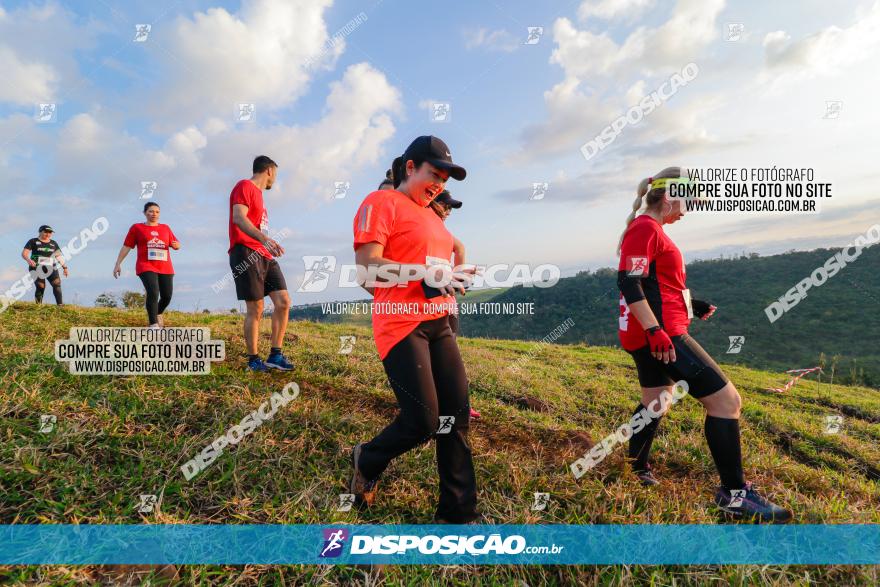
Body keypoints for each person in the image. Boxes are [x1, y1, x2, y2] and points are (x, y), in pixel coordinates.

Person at [616, 166, 791, 522]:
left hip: (651, 331)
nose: (687, 212)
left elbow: (656, 284)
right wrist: (655, 332)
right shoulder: (646, 228)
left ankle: (635, 466)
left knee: (656, 401)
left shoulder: (650, 229)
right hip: (662, 335)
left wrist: (692, 304)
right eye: (687, 203)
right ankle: (734, 495)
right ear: (668, 196)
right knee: (727, 402)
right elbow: (629, 283)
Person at [350, 135, 480, 523]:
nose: (440, 183)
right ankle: (367, 458)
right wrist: (422, 274)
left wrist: (451, 278)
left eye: (445, 178)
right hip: (402, 324)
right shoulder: (381, 202)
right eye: (434, 173)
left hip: (439, 320)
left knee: (454, 417)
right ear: (410, 167)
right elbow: (367, 270)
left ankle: (458, 514)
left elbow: (434, 268)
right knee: (423, 421)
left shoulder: (433, 217)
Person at [228, 155, 293, 372]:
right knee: (256, 308)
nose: (275, 179)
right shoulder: (245, 186)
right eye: (276, 174)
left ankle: (275, 355)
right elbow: (239, 217)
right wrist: (264, 239)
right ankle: (253, 360)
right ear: (270, 171)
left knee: (283, 301)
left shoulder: (260, 196)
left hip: (264, 254)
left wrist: (266, 244)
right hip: (245, 252)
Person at [428, 190, 481, 421]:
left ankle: (457, 406)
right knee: (435, 360)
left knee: (449, 359)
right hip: (428, 306)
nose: (447, 211)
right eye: (444, 206)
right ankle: (439, 405)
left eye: (450, 208)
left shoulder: (441, 231)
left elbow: (459, 248)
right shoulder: (425, 227)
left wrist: (459, 277)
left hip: (446, 304)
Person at [113, 202, 179, 327]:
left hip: (165, 267)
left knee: (167, 296)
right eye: (151, 211)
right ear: (144, 213)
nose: (154, 214)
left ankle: (157, 313)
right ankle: (153, 325)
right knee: (153, 292)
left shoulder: (165, 228)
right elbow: (127, 246)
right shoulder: (137, 228)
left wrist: (177, 246)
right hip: (146, 266)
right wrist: (118, 263)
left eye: (157, 212)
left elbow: (176, 243)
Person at [22, 225, 68, 305]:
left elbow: (58, 256)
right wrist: (28, 260)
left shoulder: (54, 243)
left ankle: (60, 305)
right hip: (36, 267)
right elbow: (24, 253)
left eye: (50, 233)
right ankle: (38, 306)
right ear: (40, 232)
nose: (48, 234)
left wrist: (65, 267)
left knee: (57, 283)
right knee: (41, 286)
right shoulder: (33, 241)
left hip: (51, 267)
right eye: (46, 232)